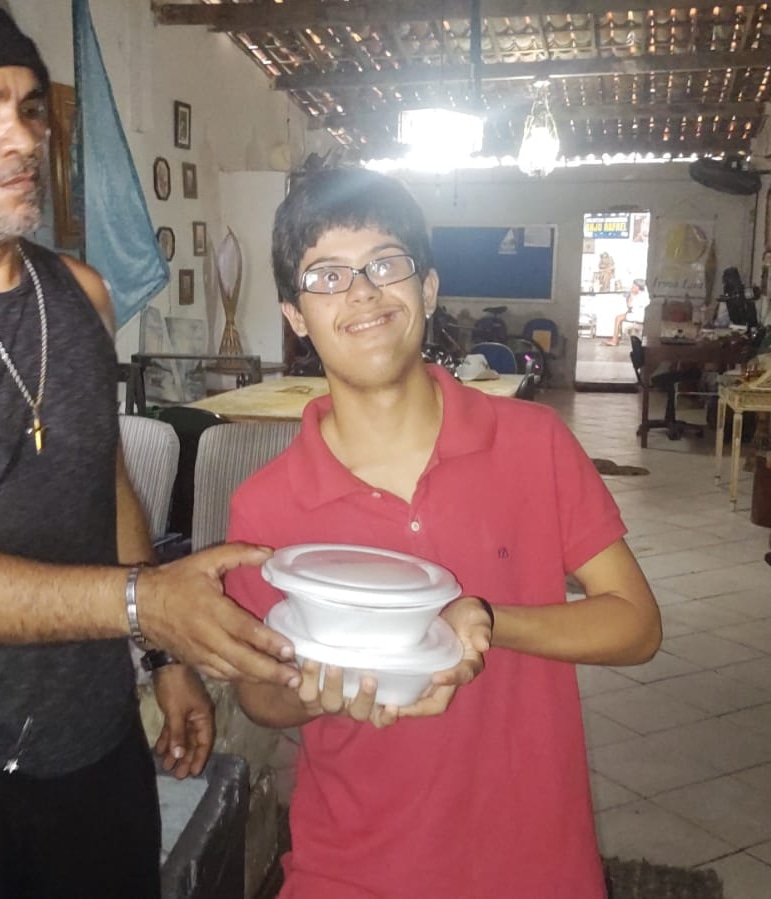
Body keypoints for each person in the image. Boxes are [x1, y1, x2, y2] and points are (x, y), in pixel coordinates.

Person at [0, 2, 296, 896]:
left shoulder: (81, 293)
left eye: (30, 108)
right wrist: (147, 604)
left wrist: (164, 657)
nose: (22, 136)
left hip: (91, 746)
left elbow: (104, 482)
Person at [224, 168, 662, 899]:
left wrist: (486, 621)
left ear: (426, 289)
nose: (361, 292)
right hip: (352, 870)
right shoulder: (266, 505)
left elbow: (636, 625)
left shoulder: (533, 442)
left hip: (537, 868)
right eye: (327, 276)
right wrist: (315, 687)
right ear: (295, 316)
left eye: (384, 264)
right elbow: (255, 693)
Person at [604, 277, 649, 346]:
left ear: (638, 287)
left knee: (618, 318)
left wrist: (631, 294)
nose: (632, 288)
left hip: (638, 316)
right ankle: (616, 338)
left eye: (633, 287)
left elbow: (629, 305)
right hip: (643, 315)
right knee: (622, 316)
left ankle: (614, 340)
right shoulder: (645, 294)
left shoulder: (638, 296)